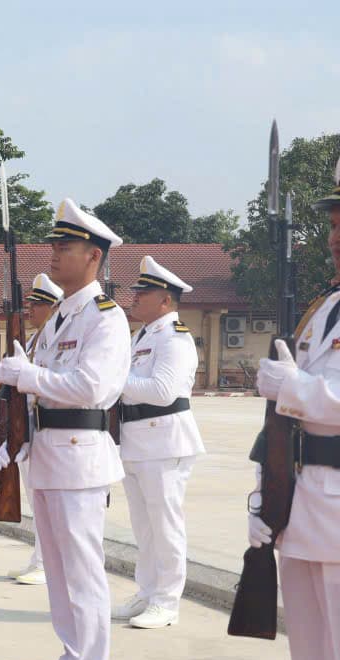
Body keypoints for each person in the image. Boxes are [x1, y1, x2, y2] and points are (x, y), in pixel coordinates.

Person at [0, 198, 129, 660]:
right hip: (48, 453)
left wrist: (28, 377)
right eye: (53, 245)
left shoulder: (105, 319)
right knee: (57, 570)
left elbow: (94, 387)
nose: (53, 254)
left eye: (65, 246)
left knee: (82, 572)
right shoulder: (60, 317)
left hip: (80, 456)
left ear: (93, 256)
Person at [250, 160, 340, 660]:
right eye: (335, 221)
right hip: (306, 501)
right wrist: (267, 493)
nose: (336, 234)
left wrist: (292, 386)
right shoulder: (325, 306)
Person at [111, 256, 204, 629]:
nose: (134, 297)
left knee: (165, 525)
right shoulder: (142, 335)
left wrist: (113, 379)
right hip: (136, 440)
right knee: (144, 526)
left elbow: (163, 391)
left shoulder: (174, 337)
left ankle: (167, 601)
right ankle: (147, 592)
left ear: (165, 300)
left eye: (143, 292)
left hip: (164, 441)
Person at [7, 274, 64, 586]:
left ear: (53, 307)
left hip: (46, 427)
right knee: (35, 501)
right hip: (27, 428)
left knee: (49, 503)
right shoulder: (32, 341)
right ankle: (39, 559)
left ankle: (45, 563)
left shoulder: (54, 340)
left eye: (37, 304)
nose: (30, 309)